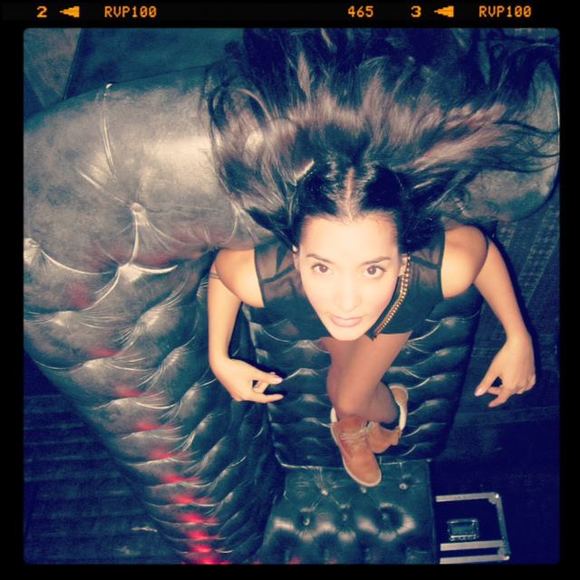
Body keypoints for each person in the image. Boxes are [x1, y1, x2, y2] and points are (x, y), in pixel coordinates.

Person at [203, 29, 556, 487]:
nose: (346, 301)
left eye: (373, 269)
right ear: (296, 253)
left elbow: (483, 253)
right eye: (322, 266)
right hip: (309, 315)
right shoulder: (264, 278)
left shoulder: (437, 268)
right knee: (343, 371)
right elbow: (222, 273)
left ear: (403, 255)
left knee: (348, 397)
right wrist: (218, 356)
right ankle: (373, 414)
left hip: (398, 310)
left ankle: (374, 422)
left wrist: (518, 335)